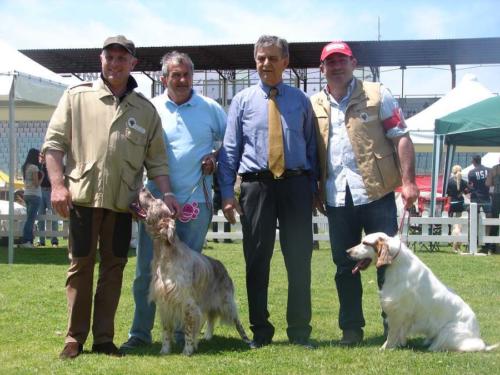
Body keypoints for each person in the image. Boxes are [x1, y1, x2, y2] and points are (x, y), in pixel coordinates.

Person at [43, 35, 180, 360]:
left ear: (133, 63)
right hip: (83, 201)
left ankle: (104, 338)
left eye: (122, 58)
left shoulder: (145, 110)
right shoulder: (76, 97)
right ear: (100, 60)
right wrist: (58, 185)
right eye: (110, 57)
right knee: (80, 268)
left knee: (114, 269)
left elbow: (157, 160)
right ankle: (74, 338)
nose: (115, 63)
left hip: (122, 205)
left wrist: (169, 192)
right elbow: (54, 144)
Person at [310, 41, 419, 345]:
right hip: (336, 197)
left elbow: (401, 137)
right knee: (345, 265)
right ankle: (351, 329)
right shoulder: (314, 103)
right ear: (322, 68)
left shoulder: (377, 93)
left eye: (342, 60)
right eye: (330, 62)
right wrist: (315, 188)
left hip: (377, 194)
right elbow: (311, 151)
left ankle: (393, 328)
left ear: (353, 62)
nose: (336, 66)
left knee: (389, 263)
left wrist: (408, 182)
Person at [120, 51, 227, 351]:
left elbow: (231, 142)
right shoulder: (149, 108)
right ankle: (140, 333)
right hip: (156, 208)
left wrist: (215, 156)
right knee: (146, 271)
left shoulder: (211, 108)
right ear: (163, 78)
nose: (181, 80)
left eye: (186, 74)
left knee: (188, 275)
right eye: (175, 75)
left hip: (197, 203)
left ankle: (183, 334)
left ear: (192, 76)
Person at [218, 35, 318, 349]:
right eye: (261, 58)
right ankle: (260, 331)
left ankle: (300, 331)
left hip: (296, 185)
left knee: (299, 260)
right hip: (256, 186)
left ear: (286, 62)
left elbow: (312, 147)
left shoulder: (301, 100)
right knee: (257, 260)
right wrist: (227, 194)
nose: (266, 64)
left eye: (273, 58)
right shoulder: (242, 101)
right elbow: (230, 151)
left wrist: (314, 188)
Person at [20, 148, 42, 247]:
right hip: (34, 194)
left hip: (27, 193)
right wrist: (42, 177)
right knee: (30, 219)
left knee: (29, 218)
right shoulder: (34, 167)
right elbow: (37, 184)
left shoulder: (25, 167)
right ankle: (26, 240)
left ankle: (27, 239)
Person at [36, 152, 59, 247]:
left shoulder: (51, 166)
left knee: (54, 216)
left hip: (50, 190)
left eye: (43, 156)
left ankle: (54, 241)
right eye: (41, 157)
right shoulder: (38, 167)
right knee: (40, 216)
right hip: (40, 191)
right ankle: (41, 241)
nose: (41, 158)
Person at [212, 173, 232, 243]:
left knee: (215, 215)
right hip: (225, 194)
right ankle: (227, 238)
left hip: (216, 194)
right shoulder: (225, 172)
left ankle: (215, 238)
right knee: (227, 215)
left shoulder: (214, 172)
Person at [486, 156, 500, 252]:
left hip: (497, 196)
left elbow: (488, 183)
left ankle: (492, 244)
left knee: (495, 219)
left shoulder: (494, 169)